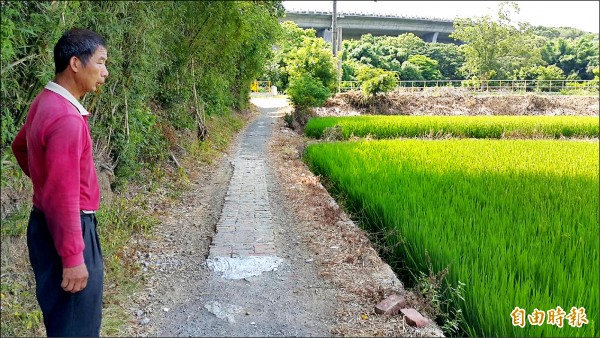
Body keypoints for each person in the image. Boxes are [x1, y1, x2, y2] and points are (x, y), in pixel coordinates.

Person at [11, 28, 109, 337]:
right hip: (70, 229)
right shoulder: (67, 118)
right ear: (76, 64)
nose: (105, 73)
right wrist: (73, 257)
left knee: (61, 321)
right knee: (76, 327)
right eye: (101, 62)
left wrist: (46, 182)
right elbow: (65, 195)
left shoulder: (45, 100)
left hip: (44, 224)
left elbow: (20, 146)